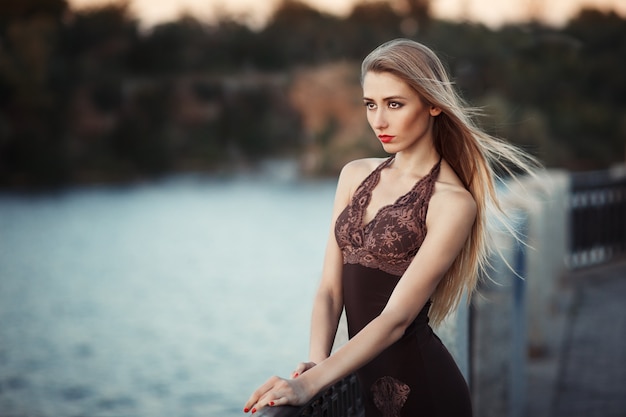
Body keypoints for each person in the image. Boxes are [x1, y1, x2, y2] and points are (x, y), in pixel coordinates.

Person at [244, 38, 537, 416]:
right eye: (371, 104)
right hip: (366, 391)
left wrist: (308, 385)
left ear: (433, 104)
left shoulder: (451, 202)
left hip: (426, 394)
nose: (379, 121)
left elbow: (396, 319)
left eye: (394, 104)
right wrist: (317, 365)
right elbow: (330, 290)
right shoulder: (354, 175)